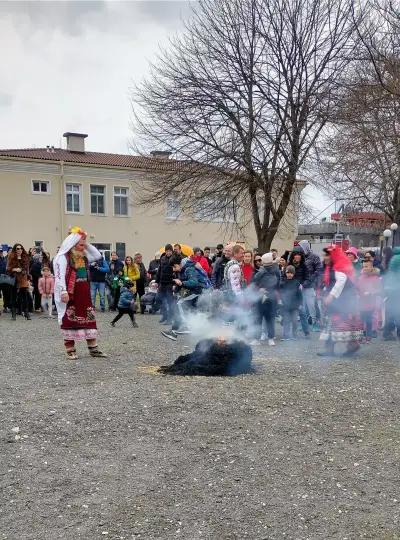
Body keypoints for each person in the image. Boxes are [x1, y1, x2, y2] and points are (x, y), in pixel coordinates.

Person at [54, 227, 107, 360]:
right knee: (69, 319)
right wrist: (64, 291)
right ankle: (70, 349)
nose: (83, 245)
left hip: (84, 290)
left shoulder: (84, 255)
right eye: (80, 243)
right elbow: (59, 276)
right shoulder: (63, 256)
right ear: (72, 243)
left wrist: (85, 242)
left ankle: (93, 348)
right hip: (71, 292)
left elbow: (97, 255)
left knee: (88, 317)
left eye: (84, 243)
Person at [318, 245, 363, 357]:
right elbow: (330, 283)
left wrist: (331, 296)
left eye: (327, 255)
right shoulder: (331, 267)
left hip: (344, 301)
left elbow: (340, 281)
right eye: (324, 255)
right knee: (333, 323)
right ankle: (331, 349)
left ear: (333, 256)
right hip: (341, 301)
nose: (325, 257)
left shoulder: (338, 266)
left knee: (342, 323)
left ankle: (352, 347)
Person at [252, 252, 280, 346]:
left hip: (268, 297)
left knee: (266, 317)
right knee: (264, 318)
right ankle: (262, 338)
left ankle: (268, 338)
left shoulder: (265, 271)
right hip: (264, 297)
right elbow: (254, 283)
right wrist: (259, 289)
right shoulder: (268, 271)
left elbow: (254, 283)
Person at [299, 240, 323, 331]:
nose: (301, 248)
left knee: (312, 304)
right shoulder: (300, 257)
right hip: (302, 285)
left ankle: (315, 323)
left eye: (302, 246)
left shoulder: (314, 257)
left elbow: (319, 270)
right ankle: (305, 323)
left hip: (311, 285)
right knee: (303, 305)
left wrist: (312, 280)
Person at [358, 258, 381, 343]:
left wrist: (370, 293)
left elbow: (378, 290)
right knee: (360, 320)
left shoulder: (375, 278)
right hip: (361, 303)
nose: (365, 268)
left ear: (371, 267)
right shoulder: (360, 277)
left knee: (368, 320)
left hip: (370, 303)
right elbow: (357, 288)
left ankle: (368, 337)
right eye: (363, 266)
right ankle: (360, 337)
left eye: (367, 266)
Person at [288, 247, 310, 336]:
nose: (297, 256)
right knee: (291, 312)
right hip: (290, 292)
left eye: (299, 255)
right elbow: (284, 277)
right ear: (293, 255)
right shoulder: (289, 265)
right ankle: (293, 332)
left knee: (302, 311)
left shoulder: (304, 266)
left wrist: (303, 285)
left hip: (300, 292)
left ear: (301, 256)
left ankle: (306, 332)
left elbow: (308, 278)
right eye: (295, 255)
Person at [7, 243, 31, 320]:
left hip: (23, 279)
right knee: (13, 297)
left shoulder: (25, 257)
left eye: (20, 248)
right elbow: (8, 268)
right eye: (17, 248)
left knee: (25, 297)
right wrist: (14, 269)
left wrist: (21, 270)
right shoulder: (11, 257)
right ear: (15, 249)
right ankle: (13, 315)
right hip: (14, 278)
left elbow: (26, 269)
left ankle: (27, 314)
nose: (19, 250)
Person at [280, 265, 303, 340]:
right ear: (286, 273)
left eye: (291, 273)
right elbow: (280, 294)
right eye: (288, 273)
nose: (289, 274)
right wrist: (281, 302)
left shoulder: (297, 283)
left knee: (294, 321)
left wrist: (300, 304)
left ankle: (294, 335)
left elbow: (300, 295)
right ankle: (286, 336)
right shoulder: (282, 283)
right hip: (285, 306)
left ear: (293, 274)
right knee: (286, 321)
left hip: (295, 306)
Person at [156, 244, 177, 324]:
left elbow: (177, 271)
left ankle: (170, 319)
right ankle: (164, 316)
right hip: (162, 283)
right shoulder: (162, 258)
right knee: (159, 299)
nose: (168, 252)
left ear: (172, 251)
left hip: (170, 283)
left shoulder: (174, 259)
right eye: (167, 251)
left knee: (169, 302)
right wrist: (157, 281)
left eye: (169, 251)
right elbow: (159, 270)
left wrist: (175, 284)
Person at [383, 247, 400, 340]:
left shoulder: (394, 258)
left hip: (390, 288)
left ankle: (387, 332)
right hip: (397, 288)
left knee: (390, 311)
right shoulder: (398, 258)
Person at [30, 248, 44, 312]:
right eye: (40, 258)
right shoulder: (35, 265)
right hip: (36, 282)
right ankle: (37, 307)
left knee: (39, 295)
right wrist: (40, 276)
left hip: (38, 282)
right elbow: (33, 273)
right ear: (37, 259)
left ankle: (38, 306)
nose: (41, 259)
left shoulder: (39, 264)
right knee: (37, 295)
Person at [0, 247, 11, 313]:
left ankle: (5, 307)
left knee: (6, 294)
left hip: (5, 279)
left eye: (1, 251)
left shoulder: (4, 259)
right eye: (0, 252)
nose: (0, 253)